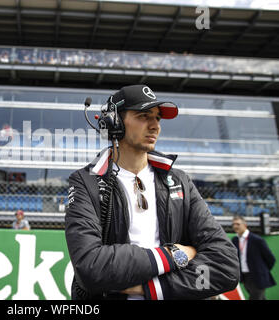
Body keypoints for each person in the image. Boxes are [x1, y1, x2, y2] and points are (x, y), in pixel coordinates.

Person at [65, 84, 240, 300]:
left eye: (157, 118)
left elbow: (227, 266)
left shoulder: (180, 181)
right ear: (114, 122)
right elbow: (90, 267)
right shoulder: (85, 182)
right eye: (144, 116)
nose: (155, 126)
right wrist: (173, 255)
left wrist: (151, 289)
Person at [231, 215, 276, 300]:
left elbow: (270, 258)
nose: (235, 226)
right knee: (260, 298)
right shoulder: (235, 240)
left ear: (245, 225)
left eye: (238, 224)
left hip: (258, 276)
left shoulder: (257, 240)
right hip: (245, 277)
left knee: (255, 297)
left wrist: (262, 270)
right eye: (233, 224)